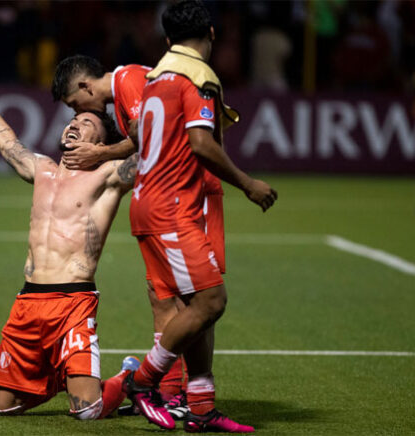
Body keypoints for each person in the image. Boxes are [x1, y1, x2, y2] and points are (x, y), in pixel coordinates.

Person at [111, 1, 278, 432]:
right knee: (211, 301)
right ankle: (143, 381)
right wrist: (248, 183)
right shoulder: (198, 77)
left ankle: (201, 408)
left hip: (148, 203)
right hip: (174, 208)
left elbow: (138, 134)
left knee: (188, 307)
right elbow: (201, 144)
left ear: (166, 38)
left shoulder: (156, 77)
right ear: (212, 33)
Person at [0, 61, 137, 420]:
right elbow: (5, 141)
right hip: (27, 302)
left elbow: (152, 150)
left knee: (88, 411)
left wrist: (109, 152)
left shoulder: (108, 176)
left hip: (73, 302)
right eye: (73, 120)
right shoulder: (42, 169)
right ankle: (64, 378)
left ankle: (131, 379)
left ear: (101, 142)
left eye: (87, 124)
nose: (74, 123)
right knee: (2, 409)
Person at [52, 53, 227, 418]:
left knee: (193, 299)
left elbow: (149, 137)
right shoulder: (122, 98)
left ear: (85, 86)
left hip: (190, 196)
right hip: (164, 201)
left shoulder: (130, 79)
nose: (78, 112)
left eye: (75, 104)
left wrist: (100, 152)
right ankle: (169, 392)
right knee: (162, 296)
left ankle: (167, 388)